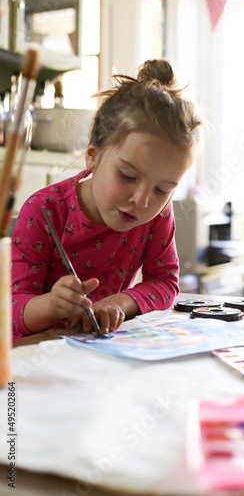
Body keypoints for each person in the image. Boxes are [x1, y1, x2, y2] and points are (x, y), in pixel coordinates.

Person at [11, 59, 202, 340]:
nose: (141, 200)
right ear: (93, 155)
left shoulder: (157, 215)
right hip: (33, 362)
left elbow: (164, 282)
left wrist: (120, 303)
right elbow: (12, 307)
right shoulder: (45, 210)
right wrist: (51, 305)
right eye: (127, 175)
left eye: (163, 190)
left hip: (98, 354)